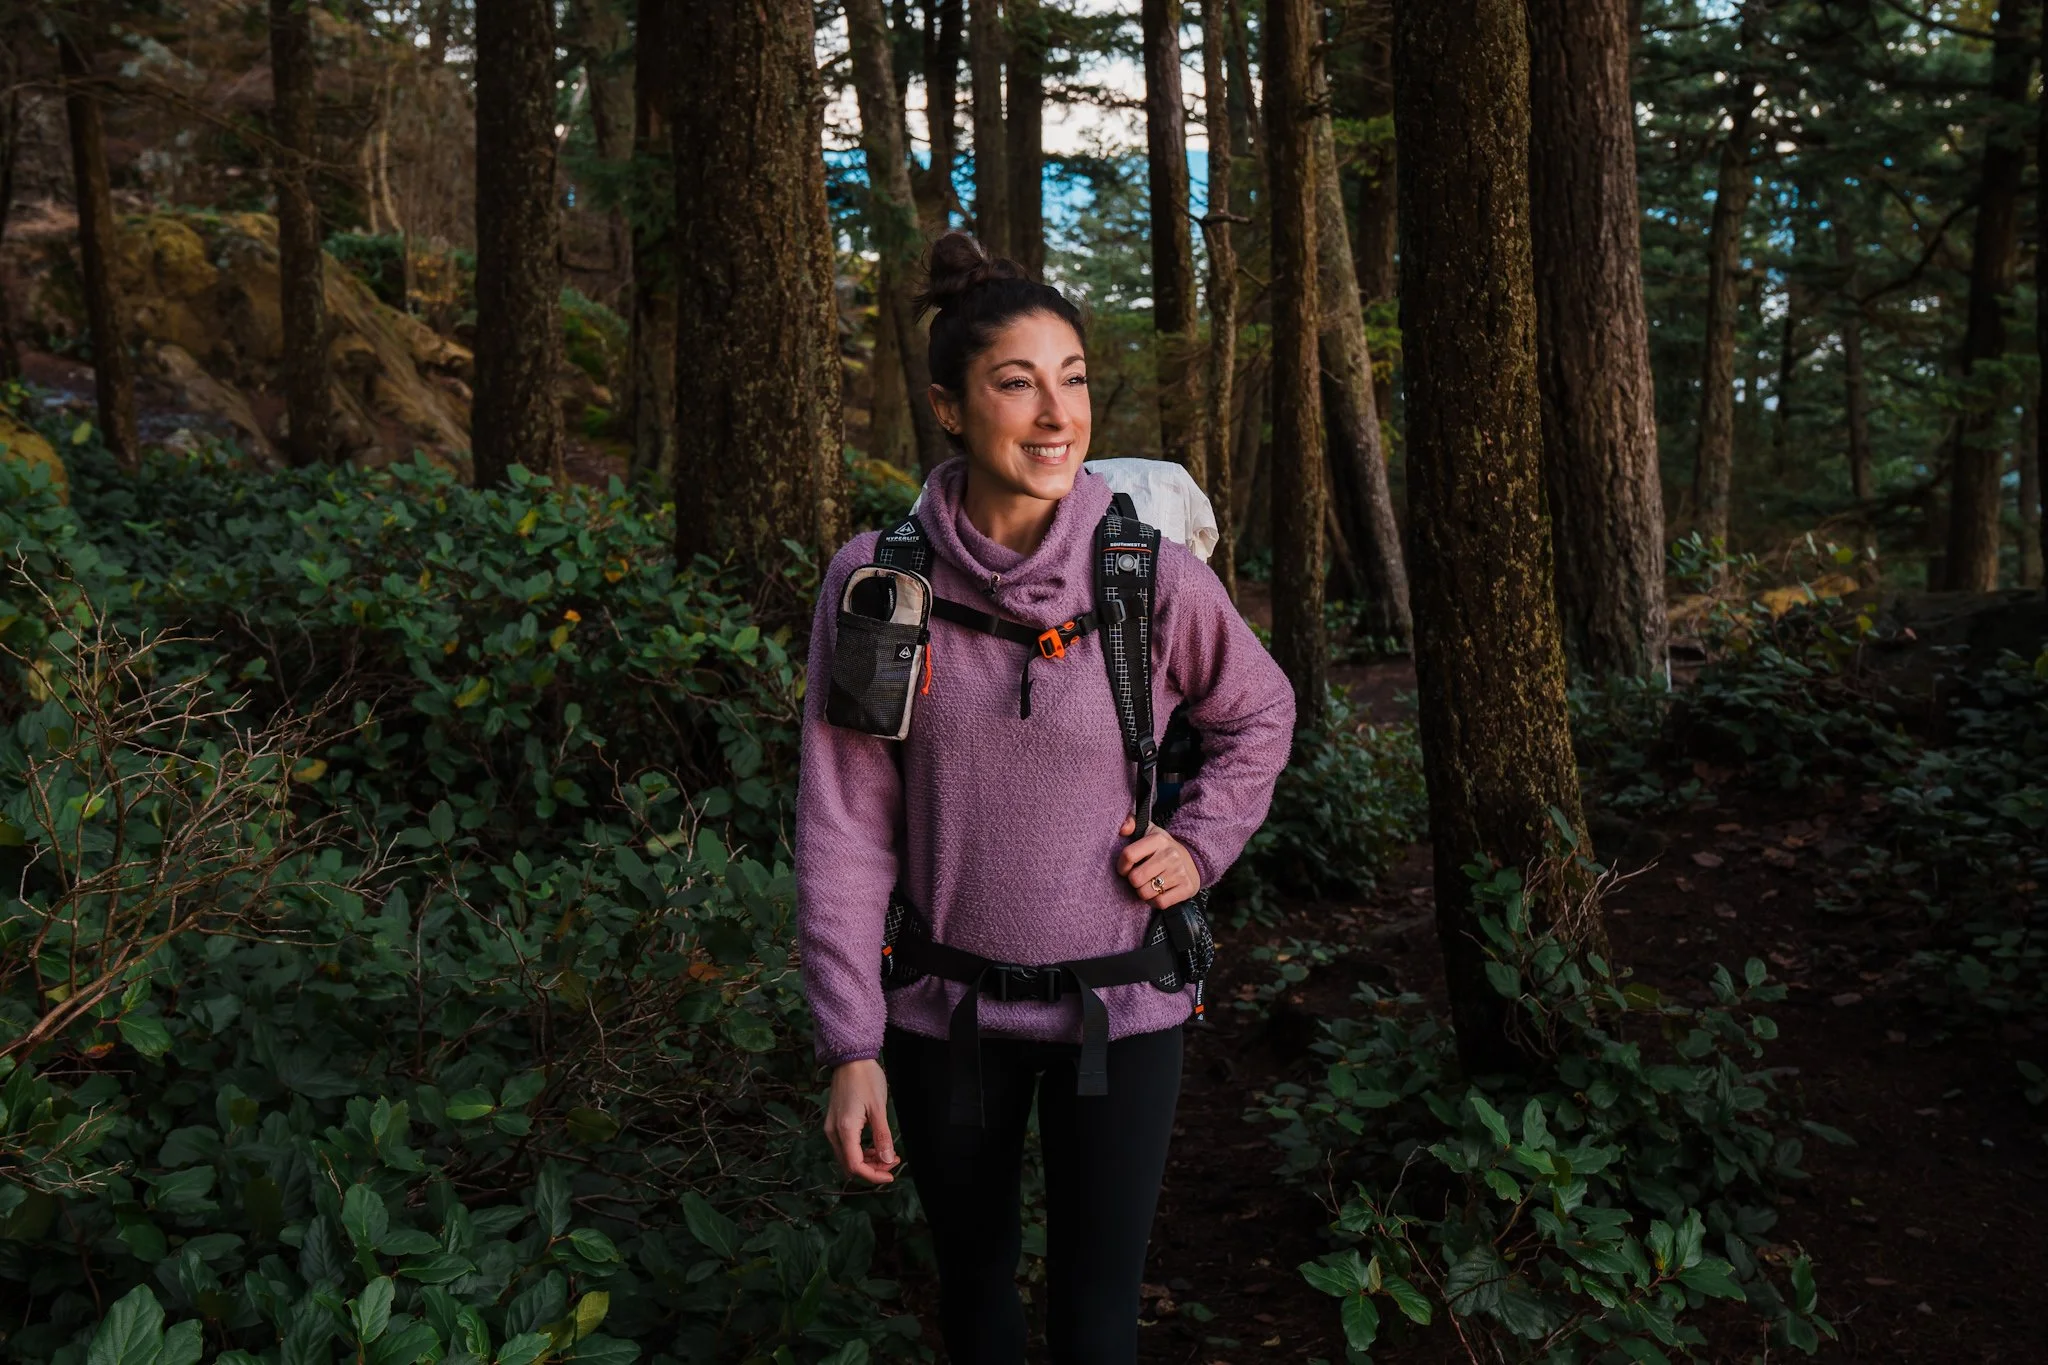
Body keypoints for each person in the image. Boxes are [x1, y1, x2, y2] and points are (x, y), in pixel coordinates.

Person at [795, 232, 1294, 1364]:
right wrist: (849, 1042)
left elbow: (1260, 715)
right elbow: (843, 822)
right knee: (975, 1309)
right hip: (941, 1016)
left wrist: (1199, 845)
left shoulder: (1149, 577)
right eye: (1014, 383)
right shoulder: (880, 589)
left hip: (1122, 1009)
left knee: (1096, 1324)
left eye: (1069, 378)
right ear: (947, 407)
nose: (1052, 413)